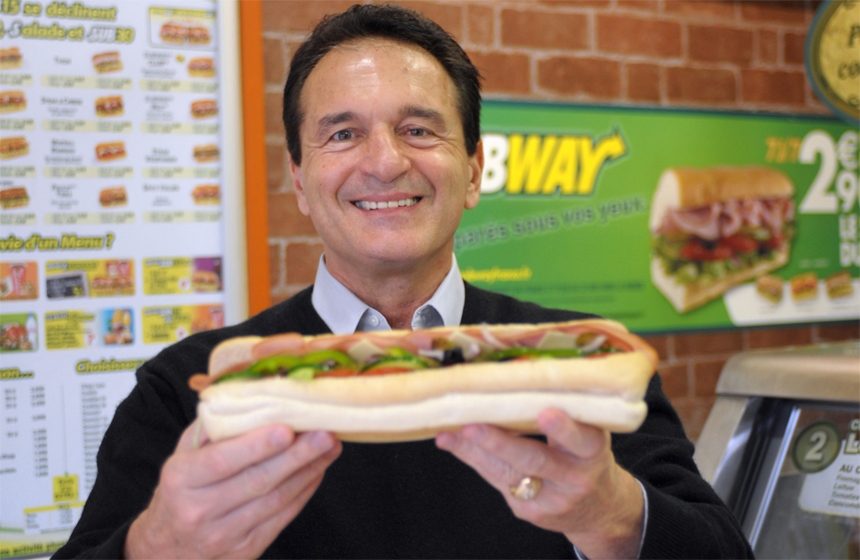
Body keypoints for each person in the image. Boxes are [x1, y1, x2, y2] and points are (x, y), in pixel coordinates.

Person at [54, 4, 753, 559]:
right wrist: (159, 546)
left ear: (473, 171)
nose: (385, 162)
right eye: (342, 134)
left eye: (418, 129)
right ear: (299, 180)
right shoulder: (190, 390)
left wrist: (614, 517)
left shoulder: (578, 362)